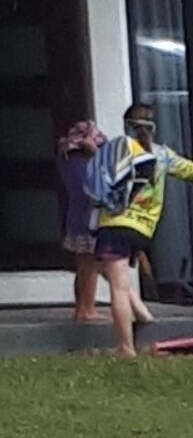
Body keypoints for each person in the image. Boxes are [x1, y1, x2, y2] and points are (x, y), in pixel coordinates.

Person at [89, 102, 193, 358]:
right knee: (104, 268)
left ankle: (125, 347)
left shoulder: (119, 150)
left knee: (117, 286)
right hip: (142, 232)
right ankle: (143, 314)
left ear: (126, 126)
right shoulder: (163, 155)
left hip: (114, 225)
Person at [56, 120, 105, 325]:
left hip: (74, 219)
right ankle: (88, 308)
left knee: (82, 265)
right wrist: (96, 153)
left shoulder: (66, 158)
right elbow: (100, 183)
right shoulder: (87, 164)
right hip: (89, 220)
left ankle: (80, 308)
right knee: (91, 266)